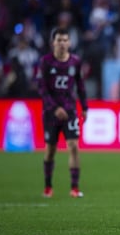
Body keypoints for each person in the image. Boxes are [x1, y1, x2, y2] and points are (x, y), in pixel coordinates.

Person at [37, 27, 88, 198]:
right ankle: (47, 186)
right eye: (59, 40)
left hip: (70, 111)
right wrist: (54, 108)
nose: (62, 43)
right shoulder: (45, 62)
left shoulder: (75, 62)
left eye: (65, 40)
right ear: (53, 43)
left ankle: (74, 187)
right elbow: (42, 89)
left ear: (70, 42)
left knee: (73, 146)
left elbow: (80, 86)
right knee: (50, 149)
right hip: (51, 112)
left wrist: (85, 107)